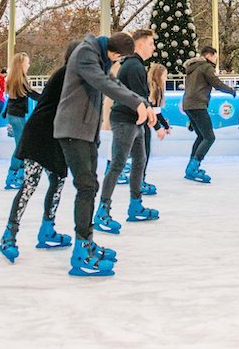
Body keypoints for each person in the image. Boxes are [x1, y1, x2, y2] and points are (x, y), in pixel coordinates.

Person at [54, 32, 154, 277]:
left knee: (91, 185)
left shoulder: (97, 57)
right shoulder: (86, 54)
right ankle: (81, 251)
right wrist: (136, 103)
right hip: (72, 130)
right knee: (87, 187)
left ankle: (86, 242)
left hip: (85, 131)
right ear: (116, 54)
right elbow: (104, 84)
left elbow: (115, 83)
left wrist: (142, 103)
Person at [0, 42, 78, 263]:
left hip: (54, 137)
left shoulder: (73, 76)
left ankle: (47, 230)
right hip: (39, 136)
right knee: (30, 184)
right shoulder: (65, 75)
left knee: (58, 180)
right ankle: (9, 234)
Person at [94, 29, 166, 234]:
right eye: (151, 43)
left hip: (135, 122)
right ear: (141, 44)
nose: (154, 47)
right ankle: (102, 211)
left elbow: (140, 98)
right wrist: (156, 122)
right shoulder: (134, 66)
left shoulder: (135, 65)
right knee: (118, 164)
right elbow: (138, 98)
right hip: (125, 121)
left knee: (139, 161)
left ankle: (135, 204)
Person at [181, 45, 236, 183]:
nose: (215, 59)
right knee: (209, 137)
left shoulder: (192, 68)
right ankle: (193, 167)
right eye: (214, 56)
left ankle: (190, 167)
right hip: (198, 105)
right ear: (208, 55)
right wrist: (231, 90)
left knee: (201, 136)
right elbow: (216, 83)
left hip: (189, 104)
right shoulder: (206, 67)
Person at [3, 52, 41, 190]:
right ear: (21, 64)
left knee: (22, 146)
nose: (29, 64)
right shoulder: (20, 80)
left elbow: (11, 100)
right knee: (21, 147)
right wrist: (49, 98)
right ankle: (13, 176)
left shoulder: (15, 79)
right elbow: (33, 94)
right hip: (17, 117)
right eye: (27, 62)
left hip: (15, 116)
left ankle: (18, 174)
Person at [142, 62, 171, 194]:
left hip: (145, 124)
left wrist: (164, 126)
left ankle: (139, 179)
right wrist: (159, 128)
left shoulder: (157, 90)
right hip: (142, 123)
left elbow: (157, 112)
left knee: (143, 152)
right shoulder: (151, 89)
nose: (166, 79)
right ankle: (139, 181)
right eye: (165, 76)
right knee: (143, 153)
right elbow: (152, 113)